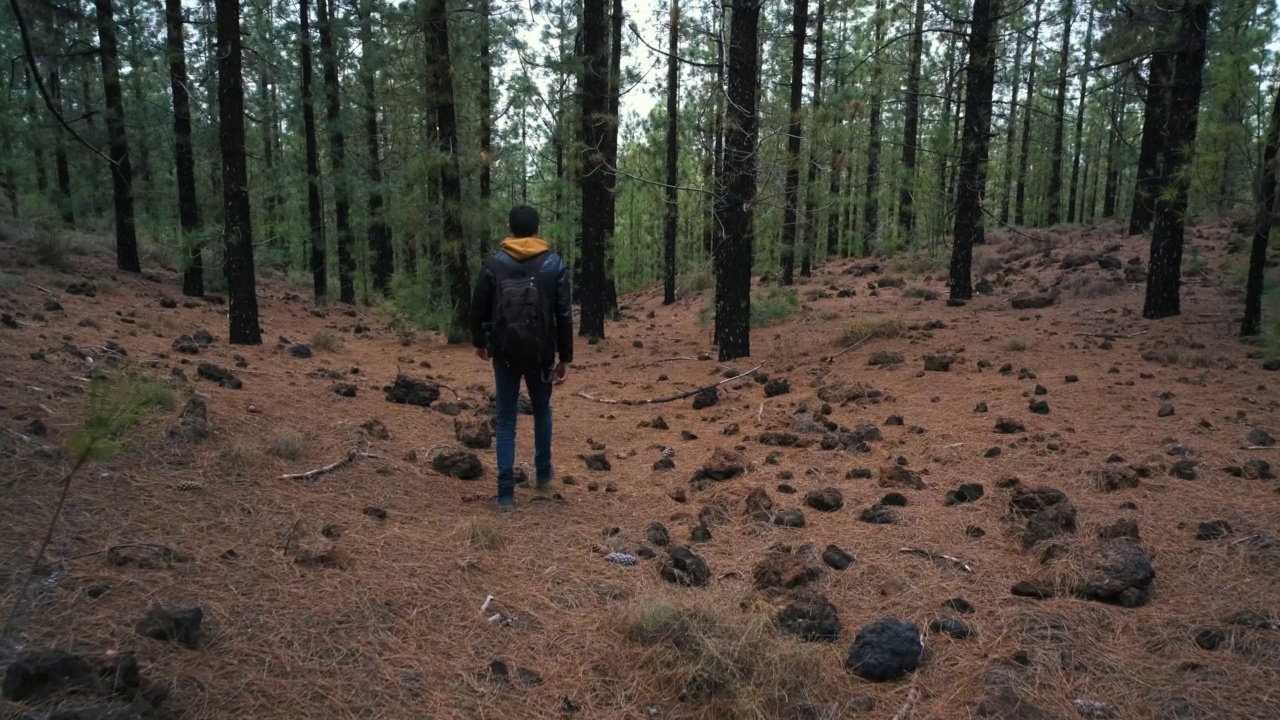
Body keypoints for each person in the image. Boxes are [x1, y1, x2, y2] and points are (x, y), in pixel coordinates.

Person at [470, 205, 573, 512]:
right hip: (541, 353)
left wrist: (480, 341)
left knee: (506, 419)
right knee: (542, 410)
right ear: (536, 229)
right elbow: (564, 314)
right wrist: (565, 357)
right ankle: (542, 476)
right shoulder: (553, 264)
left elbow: (477, 308)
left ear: (510, 229)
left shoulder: (494, 265)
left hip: (504, 352)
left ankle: (505, 493)